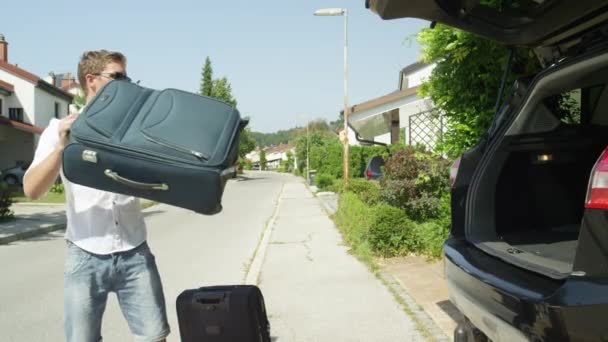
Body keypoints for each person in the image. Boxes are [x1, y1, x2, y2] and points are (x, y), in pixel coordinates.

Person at [23, 50, 170, 342]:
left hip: (135, 251)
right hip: (84, 254)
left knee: (155, 337)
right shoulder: (59, 130)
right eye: (117, 76)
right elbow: (31, 189)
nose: (125, 82)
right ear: (91, 80)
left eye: (127, 76)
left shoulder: (135, 130)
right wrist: (62, 148)